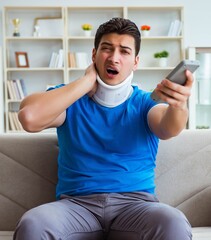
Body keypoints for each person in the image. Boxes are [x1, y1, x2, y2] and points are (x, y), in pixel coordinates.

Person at [14, 17, 193, 240]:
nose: (114, 58)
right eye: (106, 49)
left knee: (173, 222)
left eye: (124, 52)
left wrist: (179, 105)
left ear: (136, 62)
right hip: (76, 207)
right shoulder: (69, 99)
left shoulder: (146, 103)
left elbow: (169, 128)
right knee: (33, 224)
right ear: (94, 55)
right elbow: (29, 118)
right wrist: (86, 82)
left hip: (136, 207)